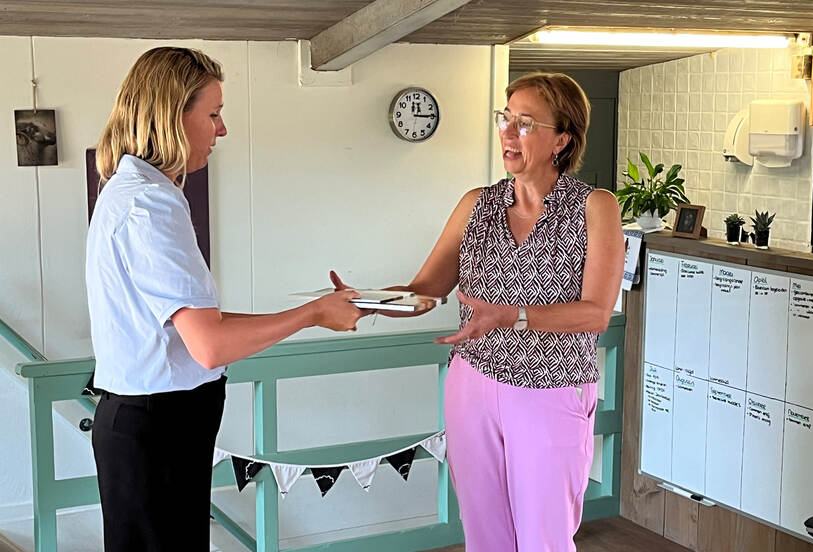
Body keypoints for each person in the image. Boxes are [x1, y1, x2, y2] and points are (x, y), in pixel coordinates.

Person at [86, 47, 363, 552]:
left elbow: (194, 323)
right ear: (173, 115)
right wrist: (313, 313)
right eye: (212, 113)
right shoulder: (149, 204)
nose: (222, 129)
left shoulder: (135, 191)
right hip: (156, 427)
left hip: (154, 425)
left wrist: (316, 311)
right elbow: (209, 346)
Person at [333, 72, 623, 551]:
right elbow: (426, 289)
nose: (508, 133)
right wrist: (368, 302)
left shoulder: (596, 206)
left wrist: (514, 315)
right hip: (473, 383)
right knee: (485, 533)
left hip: (551, 387)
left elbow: (595, 313)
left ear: (563, 139)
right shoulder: (476, 204)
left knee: (543, 536)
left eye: (525, 123)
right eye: (505, 119)